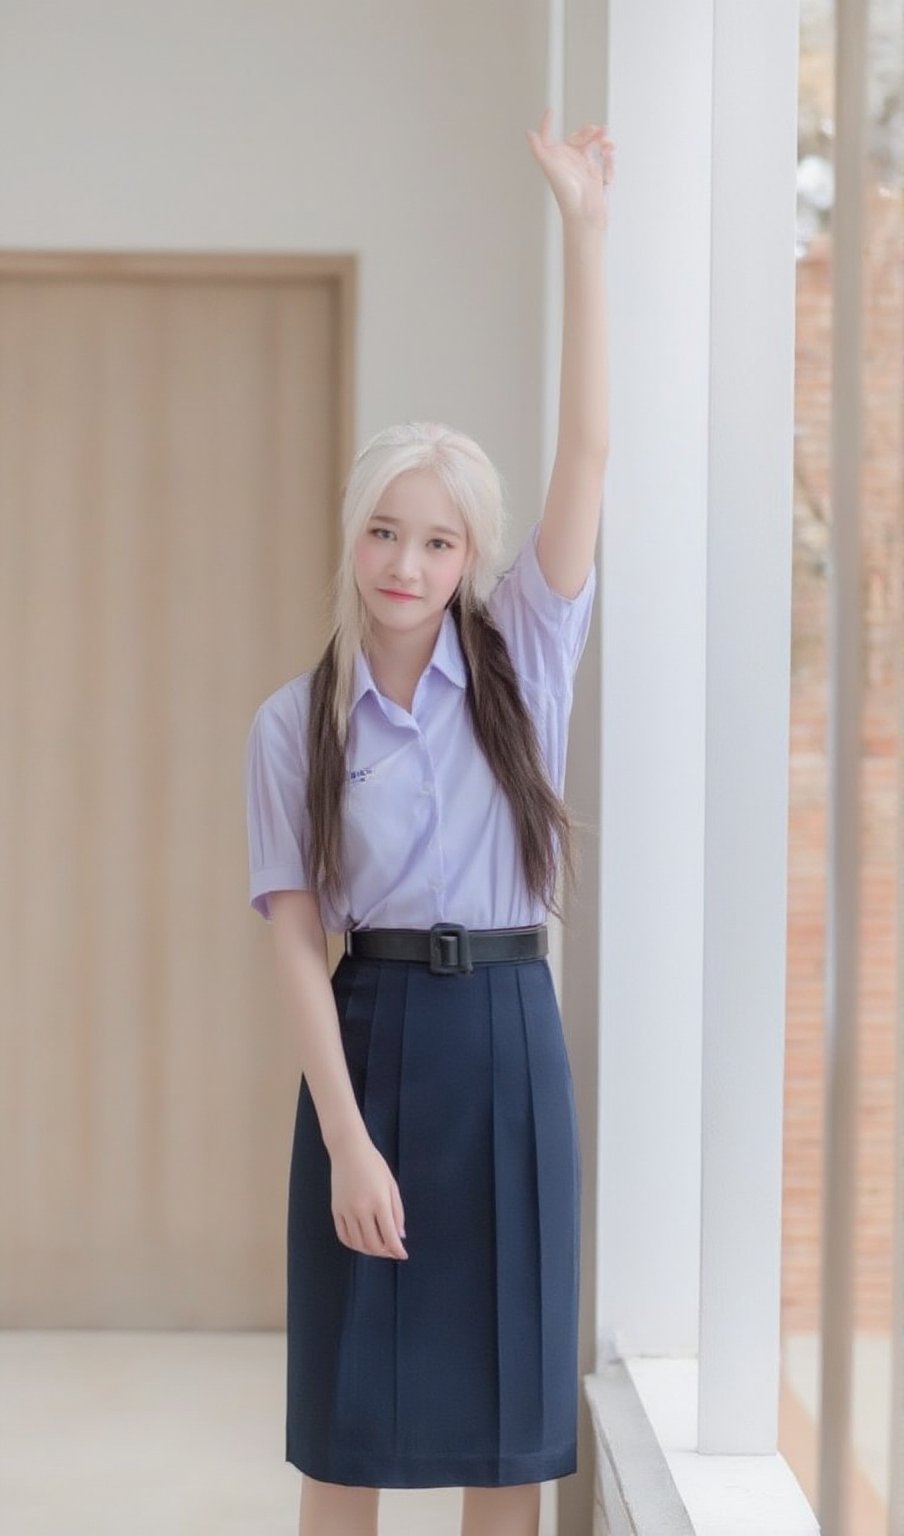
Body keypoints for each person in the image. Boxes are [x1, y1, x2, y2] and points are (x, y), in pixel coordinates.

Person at [244, 108, 613, 1536]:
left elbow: (587, 449)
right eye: (386, 530)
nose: (408, 562)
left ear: (474, 559)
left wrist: (586, 231)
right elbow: (295, 947)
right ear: (354, 537)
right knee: (351, 1425)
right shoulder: (296, 724)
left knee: (503, 1437)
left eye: (440, 538)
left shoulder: (526, 655)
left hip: (511, 1040)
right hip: (373, 1043)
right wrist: (346, 1140)